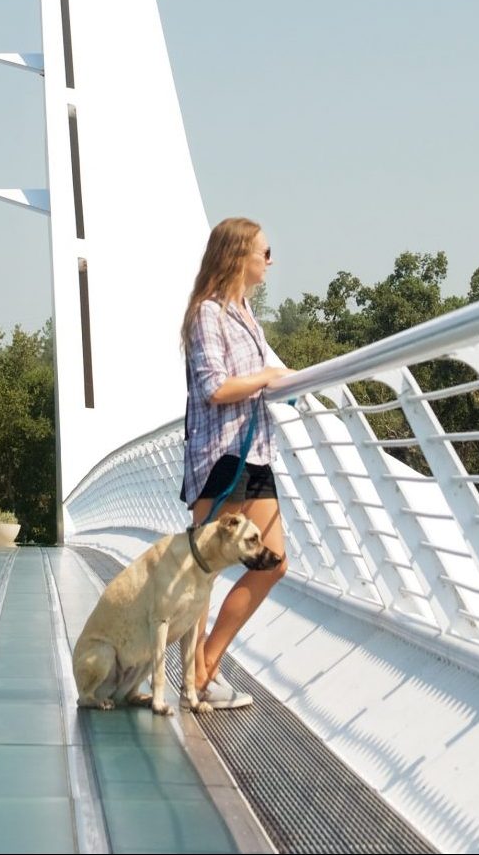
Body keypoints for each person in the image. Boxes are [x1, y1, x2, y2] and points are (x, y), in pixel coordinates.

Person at [179, 217, 289, 712]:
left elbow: (268, 375)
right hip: (222, 456)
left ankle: (207, 663)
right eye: (265, 253)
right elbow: (215, 387)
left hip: (256, 451)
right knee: (203, 572)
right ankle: (194, 680)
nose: (271, 261)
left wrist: (278, 377)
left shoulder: (245, 312)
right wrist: (267, 375)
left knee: (273, 562)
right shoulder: (208, 314)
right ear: (238, 255)